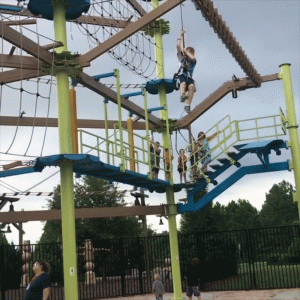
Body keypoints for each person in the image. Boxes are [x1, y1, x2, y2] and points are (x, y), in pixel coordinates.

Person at [176, 30, 197, 113]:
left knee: (191, 86)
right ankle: (182, 95)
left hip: (189, 77)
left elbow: (193, 58)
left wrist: (187, 52)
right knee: (183, 83)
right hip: (182, 76)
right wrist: (180, 36)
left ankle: (187, 105)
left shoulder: (193, 61)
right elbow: (178, 46)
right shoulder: (182, 58)